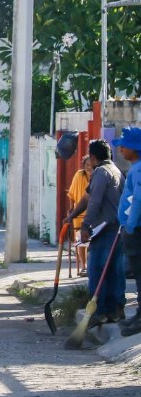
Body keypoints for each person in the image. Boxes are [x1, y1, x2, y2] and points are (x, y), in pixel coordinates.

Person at [66, 139, 126, 328]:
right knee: (113, 271)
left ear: (92, 157)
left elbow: (94, 202)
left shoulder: (100, 172)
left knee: (97, 270)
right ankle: (114, 310)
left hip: (105, 230)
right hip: (117, 230)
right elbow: (87, 196)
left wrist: (84, 226)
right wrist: (72, 215)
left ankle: (99, 312)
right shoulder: (115, 171)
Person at [114, 127, 141, 336]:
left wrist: (130, 227)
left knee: (139, 273)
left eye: (124, 146)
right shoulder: (135, 168)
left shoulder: (138, 170)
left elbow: (138, 200)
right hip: (133, 229)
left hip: (136, 230)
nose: (121, 149)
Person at [66, 156, 93, 276]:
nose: (89, 167)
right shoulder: (79, 175)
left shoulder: (98, 176)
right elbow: (72, 193)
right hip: (80, 214)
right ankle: (84, 266)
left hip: (94, 214)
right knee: (81, 242)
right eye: (87, 164)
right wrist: (72, 209)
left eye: (91, 164)